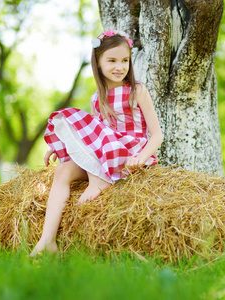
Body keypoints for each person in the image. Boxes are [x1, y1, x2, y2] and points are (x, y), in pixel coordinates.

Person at [30, 30, 163, 257]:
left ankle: (96, 185)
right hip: (105, 153)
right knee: (62, 170)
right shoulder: (96, 98)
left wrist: (141, 156)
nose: (119, 66)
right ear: (98, 64)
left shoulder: (137, 91)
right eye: (111, 61)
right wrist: (65, 144)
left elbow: (157, 135)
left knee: (85, 201)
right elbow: (94, 135)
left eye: (124, 61)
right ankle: (47, 240)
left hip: (127, 153)